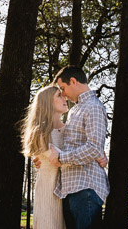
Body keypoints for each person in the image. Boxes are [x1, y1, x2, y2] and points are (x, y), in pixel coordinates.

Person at [46, 65, 109, 229]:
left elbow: (94, 148)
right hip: (71, 188)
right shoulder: (75, 110)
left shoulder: (93, 107)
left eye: (63, 88)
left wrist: (61, 158)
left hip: (85, 187)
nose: (63, 94)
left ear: (73, 81)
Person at [21, 85, 69, 229]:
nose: (64, 98)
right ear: (48, 102)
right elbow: (60, 160)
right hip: (48, 193)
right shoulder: (40, 133)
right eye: (59, 96)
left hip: (70, 192)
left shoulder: (70, 129)